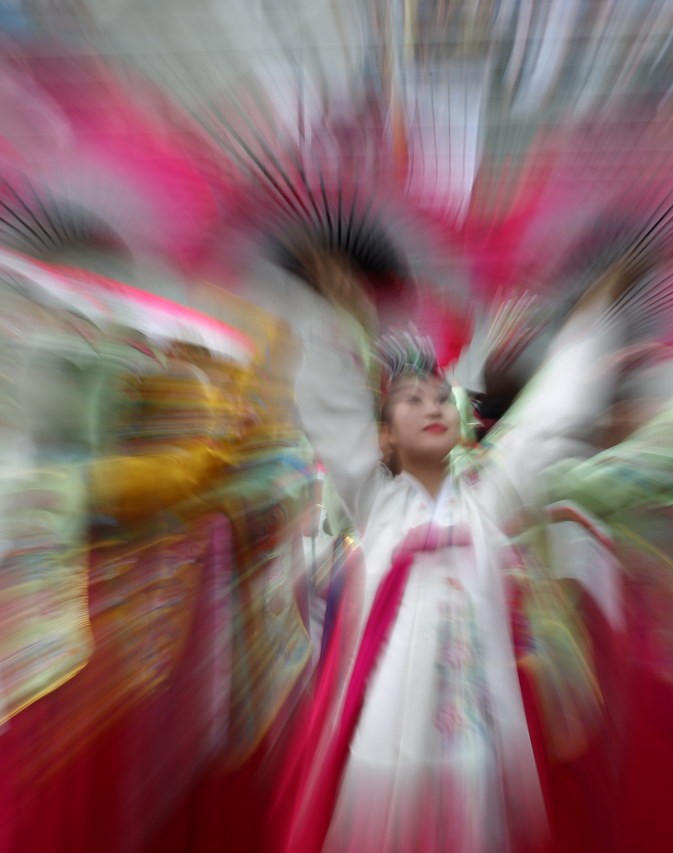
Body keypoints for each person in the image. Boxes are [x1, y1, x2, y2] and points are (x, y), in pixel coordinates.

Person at [267, 236, 643, 852]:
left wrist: (592, 317)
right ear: (384, 440)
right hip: (388, 745)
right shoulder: (377, 502)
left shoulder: (488, 501)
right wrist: (330, 304)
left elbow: (549, 418)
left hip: (474, 740)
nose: (432, 405)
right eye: (410, 401)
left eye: (441, 397)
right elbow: (330, 405)